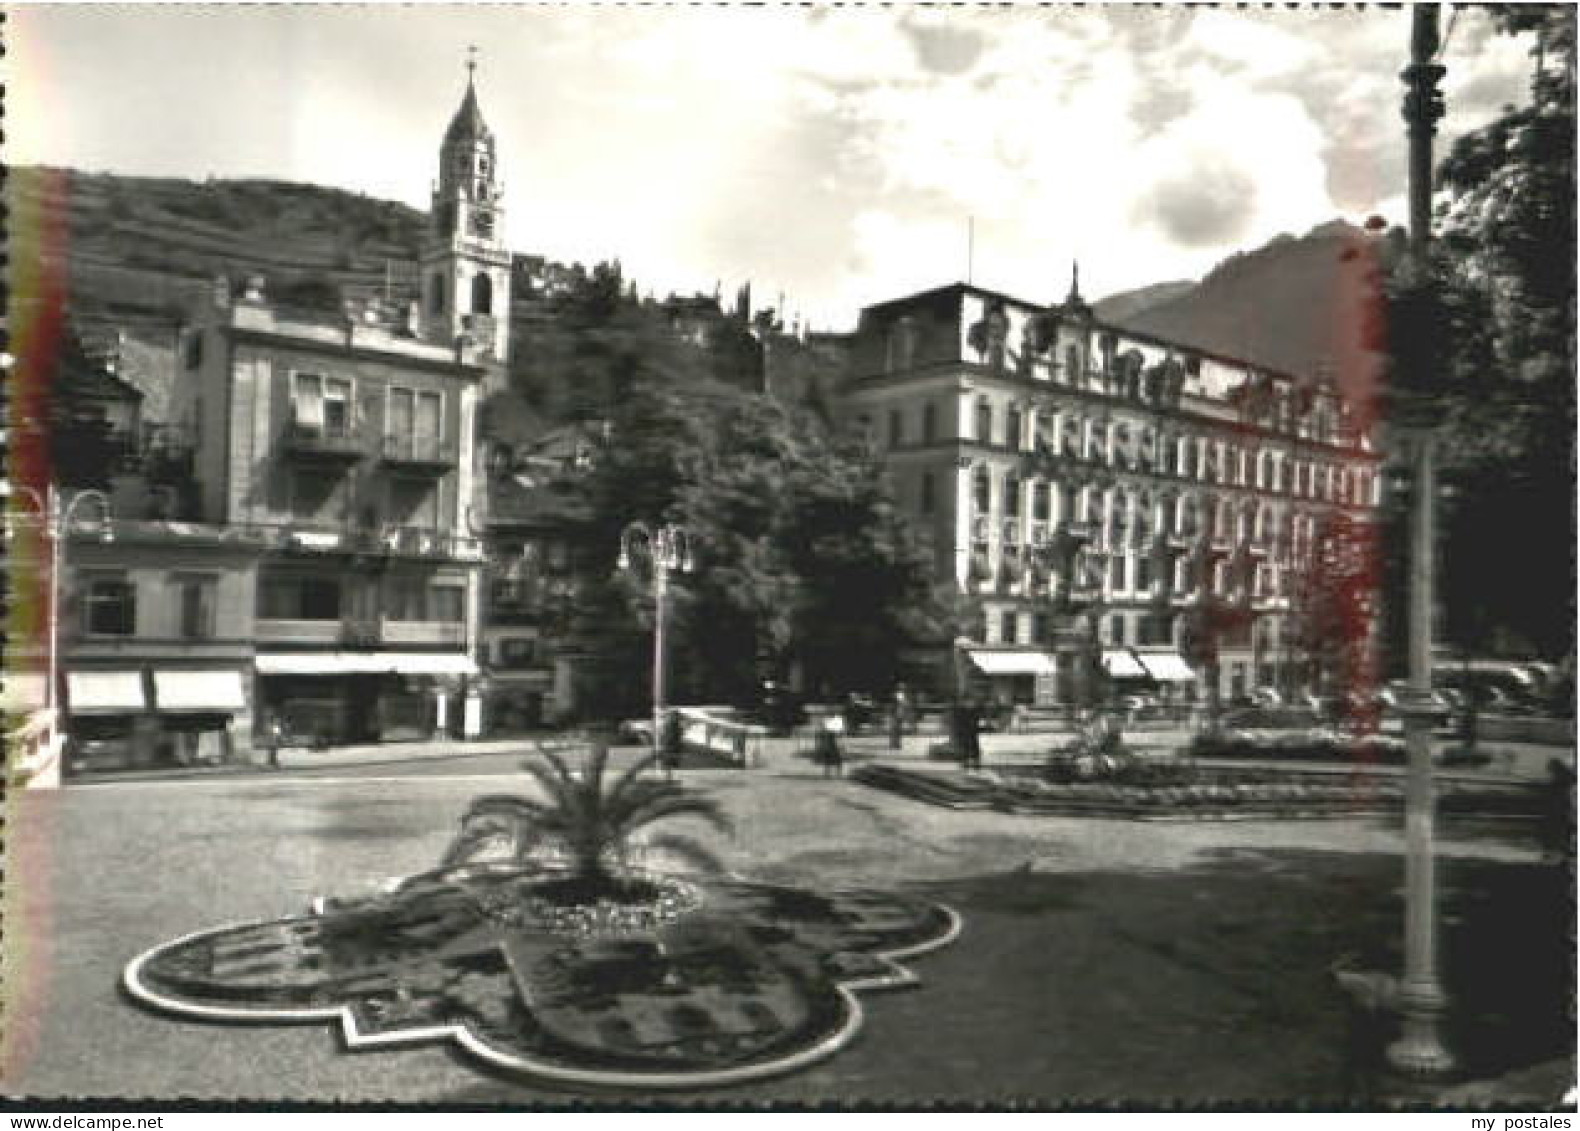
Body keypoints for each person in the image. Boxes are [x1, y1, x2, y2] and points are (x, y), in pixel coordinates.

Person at [816, 713, 845, 777]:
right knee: (828, 759)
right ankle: (828, 773)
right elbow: (821, 736)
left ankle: (837, 773)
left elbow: (840, 734)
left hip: (834, 744)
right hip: (829, 744)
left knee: (837, 759)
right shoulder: (826, 725)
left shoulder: (836, 724)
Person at [659, 708, 684, 780]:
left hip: (671, 745)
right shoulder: (671, 724)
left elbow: (677, 735)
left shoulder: (673, 724)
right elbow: (670, 735)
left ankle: (668, 776)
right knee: (668, 762)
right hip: (669, 745)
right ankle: (668, 776)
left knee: (669, 762)